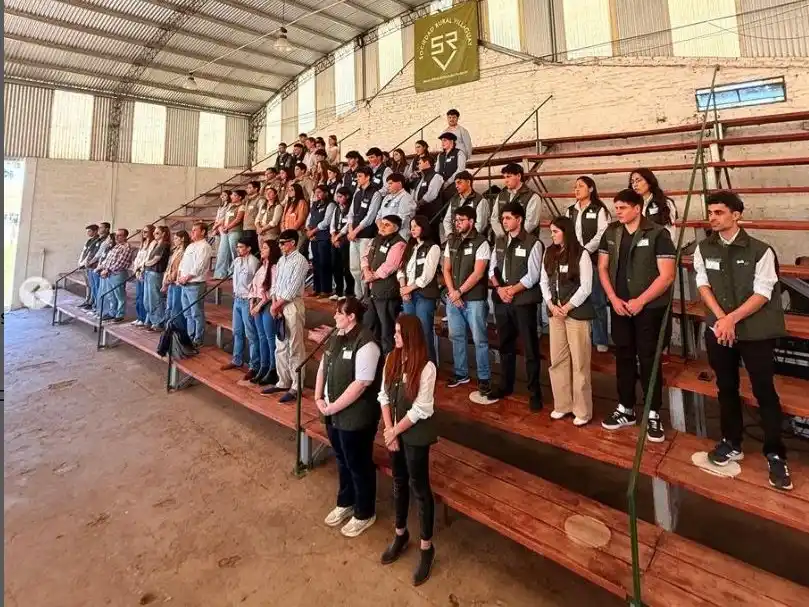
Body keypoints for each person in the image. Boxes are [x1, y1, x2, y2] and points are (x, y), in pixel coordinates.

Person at [694, 191, 792, 491]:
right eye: (710, 212)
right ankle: (731, 441)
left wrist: (730, 319)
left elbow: (762, 293)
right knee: (726, 387)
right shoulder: (703, 248)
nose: (713, 217)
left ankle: (775, 452)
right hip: (720, 329)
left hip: (754, 332)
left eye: (719, 212)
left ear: (736, 215)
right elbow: (703, 284)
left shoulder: (760, 250)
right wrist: (721, 318)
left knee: (764, 390)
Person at [598, 189, 675, 442]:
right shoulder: (611, 232)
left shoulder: (658, 233)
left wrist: (641, 301)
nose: (617, 211)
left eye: (622, 207)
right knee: (624, 356)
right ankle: (626, 408)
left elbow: (667, 276)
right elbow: (603, 268)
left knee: (649, 358)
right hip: (619, 306)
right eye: (616, 207)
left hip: (648, 308)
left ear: (637, 208)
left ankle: (653, 412)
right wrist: (613, 299)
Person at [314, 297, 382, 538]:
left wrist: (333, 407)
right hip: (333, 412)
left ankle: (365, 512)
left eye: (338, 313)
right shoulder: (337, 336)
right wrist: (318, 396)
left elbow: (361, 383)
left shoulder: (367, 343)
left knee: (358, 463)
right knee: (342, 459)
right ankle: (346, 502)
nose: (334, 317)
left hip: (356, 416)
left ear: (351, 316)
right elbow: (324, 365)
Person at [379, 315, 438, 586]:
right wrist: (389, 429)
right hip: (396, 431)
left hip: (414, 434)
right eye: (395, 332)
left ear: (412, 336)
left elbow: (421, 409)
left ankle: (427, 546)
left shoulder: (426, 368)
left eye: (399, 333)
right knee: (399, 483)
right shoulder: (392, 358)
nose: (395, 337)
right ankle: (401, 533)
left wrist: (395, 431)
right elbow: (383, 396)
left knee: (419, 487)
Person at [488, 203, 544, 410]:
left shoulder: (533, 243)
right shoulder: (500, 241)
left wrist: (512, 290)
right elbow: (492, 270)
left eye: (509, 218)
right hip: (502, 300)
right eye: (503, 218)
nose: (504, 222)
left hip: (522, 302)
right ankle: (505, 384)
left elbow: (533, 275)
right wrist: (500, 289)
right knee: (505, 345)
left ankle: (534, 392)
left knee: (530, 348)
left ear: (519, 219)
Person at [540, 216, 594, 426]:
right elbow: (543, 281)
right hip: (556, 312)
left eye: (555, 231)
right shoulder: (550, 252)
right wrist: (551, 304)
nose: (552, 235)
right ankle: (562, 404)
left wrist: (568, 307)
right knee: (557, 360)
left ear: (566, 232)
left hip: (576, 314)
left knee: (579, 362)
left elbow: (586, 287)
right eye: (551, 231)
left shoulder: (582, 254)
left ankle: (582, 410)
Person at [443, 206, 491, 395]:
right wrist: (452, 292)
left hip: (474, 299)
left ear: (471, 221)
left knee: (480, 339)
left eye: (461, 220)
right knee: (456, 336)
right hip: (454, 298)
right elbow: (446, 269)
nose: (457, 223)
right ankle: (461, 373)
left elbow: (478, 273)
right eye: (456, 220)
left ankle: (484, 377)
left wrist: (459, 291)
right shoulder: (451, 240)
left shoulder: (481, 242)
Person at [262, 230, 309, 403]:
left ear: (293, 243)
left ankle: (297, 386)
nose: (280, 246)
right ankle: (283, 381)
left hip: (292, 305)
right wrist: (274, 301)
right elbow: (275, 284)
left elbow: (292, 288)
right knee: (280, 345)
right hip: (279, 305)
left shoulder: (300, 261)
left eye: (284, 243)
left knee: (295, 347)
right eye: (279, 243)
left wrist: (276, 305)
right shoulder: (281, 260)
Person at [568, 176, 611, 353]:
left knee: (597, 300)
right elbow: (567, 232)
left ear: (591, 189)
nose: (576, 190)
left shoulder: (599, 209)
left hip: (592, 259)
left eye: (581, 186)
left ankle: (601, 339)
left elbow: (602, 233)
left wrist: (585, 250)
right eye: (575, 187)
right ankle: (580, 337)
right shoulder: (570, 210)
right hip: (574, 260)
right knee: (575, 297)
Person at [361, 215, 407, 354]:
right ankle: (373, 357)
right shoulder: (376, 239)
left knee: (387, 330)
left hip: (386, 292)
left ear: (396, 228)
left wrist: (372, 276)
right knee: (370, 326)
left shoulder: (399, 243)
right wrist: (365, 270)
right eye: (382, 224)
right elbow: (364, 256)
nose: (382, 227)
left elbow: (390, 265)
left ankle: (389, 361)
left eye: (387, 225)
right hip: (371, 291)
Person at [398, 215, 441, 362]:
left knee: (424, 330)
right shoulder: (410, 246)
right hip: (408, 294)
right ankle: (412, 362)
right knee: (409, 331)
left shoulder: (433, 247)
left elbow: (427, 276)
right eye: (411, 227)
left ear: (424, 227)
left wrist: (408, 289)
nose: (413, 229)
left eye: (416, 226)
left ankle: (429, 364)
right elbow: (401, 269)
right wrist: (403, 287)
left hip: (424, 294)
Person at [220, 237, 261, 380]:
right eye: (237, 247)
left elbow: (256, 284)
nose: (238, 249)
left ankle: (254, 365)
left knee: (251, 333)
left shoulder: (254, 263)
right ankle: (237, 359)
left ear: (249, 248)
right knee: (237, 331)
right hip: (237, 299)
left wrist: (252, 300)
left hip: (247, 300)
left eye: (241, 247)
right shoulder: (237, 261)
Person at [342, 165, 383, 299]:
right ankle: (358, 294)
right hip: (354, 235)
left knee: (364, 266)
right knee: (354, 268)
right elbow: (351, 213)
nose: (357, 179)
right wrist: (350, 230)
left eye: (360, 176)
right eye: (357, 176)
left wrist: (356, 230)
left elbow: (370, 217)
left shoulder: (375, 193)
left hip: (366, 235)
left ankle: (365, 296)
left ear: (368, 177)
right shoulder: (357, 192)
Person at [249, 240, 282, 387]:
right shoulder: (261, 267)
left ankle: (273, 369)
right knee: (261, 337)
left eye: (265, 248)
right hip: (257, 304)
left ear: (272, 250)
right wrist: (252, 303)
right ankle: (263, 366)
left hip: (267, 305)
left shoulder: (274, 268)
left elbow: (271, 291)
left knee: (270, 339)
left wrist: (259, 305)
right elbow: (253, 287)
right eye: (261, 247)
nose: (261, 249)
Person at [178, 222, 214, 348]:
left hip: (195, 284)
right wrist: (180, 276)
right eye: (192, 230)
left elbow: (200, 266)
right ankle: (189, 336)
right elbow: (183, 263)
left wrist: (187, 277)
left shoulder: (204, 247)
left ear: (203, 232)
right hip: (185, 283)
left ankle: (198, 339)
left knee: (196, 313)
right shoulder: (190, 246)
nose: (192, 232)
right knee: (187, 313)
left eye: (195, 230)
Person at [490, 164, 541, 239]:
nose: (506, 180)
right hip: (503, 240)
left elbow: (531, 223)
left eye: (509, 176)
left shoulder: (533, 197)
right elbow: (494, 218)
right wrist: (502, 235)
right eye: (504, 177)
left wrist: (513, 237)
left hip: (525, 242)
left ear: (519, 176)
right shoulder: (501, 195)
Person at [97, 228, 135, 322]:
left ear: (125, 237)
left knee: (119, 295)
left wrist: (107, 270)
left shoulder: (126, 247)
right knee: (111, 295)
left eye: (120, 235)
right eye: (116, 235)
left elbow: (120, 263)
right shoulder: (116, 246)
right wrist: (103, 268)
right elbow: (108, 260)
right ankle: (112, 312)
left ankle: (120, 314)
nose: (117, 237)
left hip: (118, 274)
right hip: (109, 273)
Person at [629, 168, 678, 239]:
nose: (635, 185)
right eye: (632, 182)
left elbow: (669, 230)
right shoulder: (631, 205)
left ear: (649, 182)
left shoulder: (665, 202)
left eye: (638, 180)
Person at [307, 184, 337, 298]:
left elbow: (326, 221)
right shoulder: (315, 204)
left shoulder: (331, 204)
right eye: (316, 192)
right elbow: (309, 218)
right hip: (314, 237)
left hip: (324, 237)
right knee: (315, 263)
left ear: (326, 193)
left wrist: (313, 230)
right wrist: (309, 230)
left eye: (320, 192)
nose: (317, 194)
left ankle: (326, 289)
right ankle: (317, 288)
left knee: (324, 263)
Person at [442, 170, 489, 241]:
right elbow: (447, 220)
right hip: (455, 240)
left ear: (468, 182)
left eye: (459, 183)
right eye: (455, 183)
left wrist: (465, 237)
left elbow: (480, 226)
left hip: (474, 241)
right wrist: (449, 234)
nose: (456, 186)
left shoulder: (480, 200)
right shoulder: (454, 200)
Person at [142, 225, 171, 331]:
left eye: (157, 233)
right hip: (149, 272)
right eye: (154, 232)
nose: (154, 234)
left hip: (156, 273)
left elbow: (156, 259)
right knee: (148, 299)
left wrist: (145, 264)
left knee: (156, 298)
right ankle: (150, 319)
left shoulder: (164, 244)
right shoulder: (155, 244)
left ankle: (159, 321)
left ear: (163, 234)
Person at [162, 230, 190, 332]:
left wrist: (169, 280)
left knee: (176, 307)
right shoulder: (176, 250)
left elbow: (177, 268)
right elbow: (170, 266)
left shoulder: (184, 252)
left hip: (177, 282)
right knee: (169, 306)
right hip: (171, 282)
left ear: (182, 239)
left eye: (176, 238)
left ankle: (178, 330)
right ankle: (169, 328)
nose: (174, 241)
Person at [331, 187, 356, 301]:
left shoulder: (351, 208)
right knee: (336, 266)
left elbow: (347, 225)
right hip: (335, 238)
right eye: (337, 196)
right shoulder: (337, 208)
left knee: (346, 266)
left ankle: (349, 292)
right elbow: (332, 223)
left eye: (341, 196)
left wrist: (338, 236)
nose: (338, 199)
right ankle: (338, 291)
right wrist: (333, 235)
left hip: (344, 239)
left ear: (347, 196)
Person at [213, 190, 245, 279]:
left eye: (234, 195)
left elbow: (238, 219)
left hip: (235, 231)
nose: (232, 197)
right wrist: (222, 226)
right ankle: (219, 273)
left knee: (234, 252)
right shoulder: (230, 206)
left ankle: (233, 272)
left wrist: (228, 227)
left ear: (240, 197)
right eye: (232, 195)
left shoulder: (242, 206)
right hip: (226, 231)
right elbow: (224, 218)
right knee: (222, 252)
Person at [412, 155, 444, 239]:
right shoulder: (421, 178)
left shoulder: (436, 176)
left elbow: (431, 194)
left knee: (432, 235)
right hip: (421, 211)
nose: (417, 165)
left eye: (419, 163)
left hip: (431, 212)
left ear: (427, 163)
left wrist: (418, 204)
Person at [83, 222, 113, 312]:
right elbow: (90, 252)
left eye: (101, 227)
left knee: (98, 287)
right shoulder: (98, 239)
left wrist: (91, 262)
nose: (99, 229)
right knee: (93, 286)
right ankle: (95, 304)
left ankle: (98, 306)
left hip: (96, 266)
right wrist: (85, 261)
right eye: (99, 227)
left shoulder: (107, 239)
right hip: (91, 266)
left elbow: (99, 254)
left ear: (107, 229)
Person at [379, 174, 416, 240]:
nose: (388, 186)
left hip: (399, 235)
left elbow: (401, 220)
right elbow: (379, 215)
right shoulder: (387, 197)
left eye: (391, 183)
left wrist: (386, 229)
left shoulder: (406, 198)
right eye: (388, 184)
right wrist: (381, 228)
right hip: (384, 233)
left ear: (399, 183)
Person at [132, 224, 155, 327]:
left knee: (143, 297)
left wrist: (140, 268)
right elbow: (138, 258)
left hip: (144, 271)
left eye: (146, 231)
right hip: (138, 271)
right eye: (143, 232)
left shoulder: (152, 244)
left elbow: (147, 258)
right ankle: (139, 317)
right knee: (138, 296)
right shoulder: (143, 243)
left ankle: (144, 317)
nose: (144, 233)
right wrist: (135, 268)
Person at [435, 132, 467, 203]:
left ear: (452, 141)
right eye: (442, 141)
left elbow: (460, 170)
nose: (442, 143)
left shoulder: (459, 153)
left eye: (445, 140)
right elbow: (436, 171)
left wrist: (448, 182)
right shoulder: (440, 155)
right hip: (441, 185)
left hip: (454, 185)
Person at [77, 224, 101, 309]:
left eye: (90, 231)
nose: (88, 233)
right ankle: (87, 299)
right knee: (88, 284)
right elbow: (84, 252)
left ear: (95, 231)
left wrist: (84, 263)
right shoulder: (89, 241)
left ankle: (92, 301)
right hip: (85, 264)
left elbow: (92, 254)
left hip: (91, 265)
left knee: (93, 285)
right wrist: (80, 262)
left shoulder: (98, 240)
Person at [281, 183, 309, 253]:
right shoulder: (288, 203)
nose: (289, 191)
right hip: (287, 234)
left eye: (292, 190)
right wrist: (283, 230)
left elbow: (301, 219)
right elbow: (283, 219)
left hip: (297, 233)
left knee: (296, 253)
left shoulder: (302, 202)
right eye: (289, 190)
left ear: (297, 191)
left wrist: (290, 232)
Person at [243, 181, 265, 254]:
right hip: (246, 227)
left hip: (253, 228)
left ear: (256, 189)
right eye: (247, 188)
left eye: (250, 188)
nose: (247, 189)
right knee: (247, 250)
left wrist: (259, 226)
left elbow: (261, 213)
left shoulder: (260, 199)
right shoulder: (248, 200)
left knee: (253, 250)